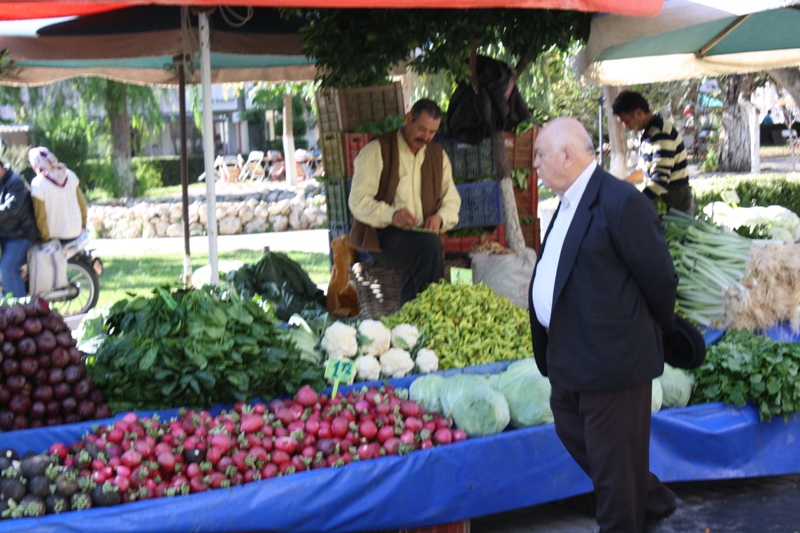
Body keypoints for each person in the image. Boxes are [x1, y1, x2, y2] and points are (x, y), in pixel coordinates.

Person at [529, 117, 681, 533]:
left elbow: (660, 280)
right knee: (577, 432)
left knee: (613, 474)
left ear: (567, 155)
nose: (535, 165)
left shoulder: (620, 201)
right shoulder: (568, 201)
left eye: (540, 155)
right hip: (572, 359)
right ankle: (649, 497)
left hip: (613, 362)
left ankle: (626, 517)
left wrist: (644, 330)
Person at [347, 99, 461, 304]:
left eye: (432, 132)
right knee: (427, 246)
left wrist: (440, 218)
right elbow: (358, 200)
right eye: (421, 129)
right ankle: (434, 311)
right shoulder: (377, 149)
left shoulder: (437, 154)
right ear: (408, 119)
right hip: (383, 236)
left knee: (425, 248)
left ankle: (408, 320)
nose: (426, 137)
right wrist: (391, 215)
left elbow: (452, 198)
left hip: (420, 235)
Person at [612, 91, 693, 213]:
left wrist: (634, 203)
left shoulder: (660, 134)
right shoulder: (648, 132)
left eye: (626, 120)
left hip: (673, 201)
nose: (625, 126)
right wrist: (623, 184)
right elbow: (643, 170)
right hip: (662, 198)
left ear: (639, 112)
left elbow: (660, 181)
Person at [28, 147, 87, 242]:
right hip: (76, 232)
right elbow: (83, 204)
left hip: (54, 237)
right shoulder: (69, 175)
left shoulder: (38, 183)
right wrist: (83, 225)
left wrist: (45, 238)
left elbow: (40, 217)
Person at [0, 160, 39, 297]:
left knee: (8, 268)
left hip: (21, 235)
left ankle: (20, 310)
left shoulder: (15, 182)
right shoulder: (3, 183)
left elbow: (11, 209)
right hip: (8, 235)